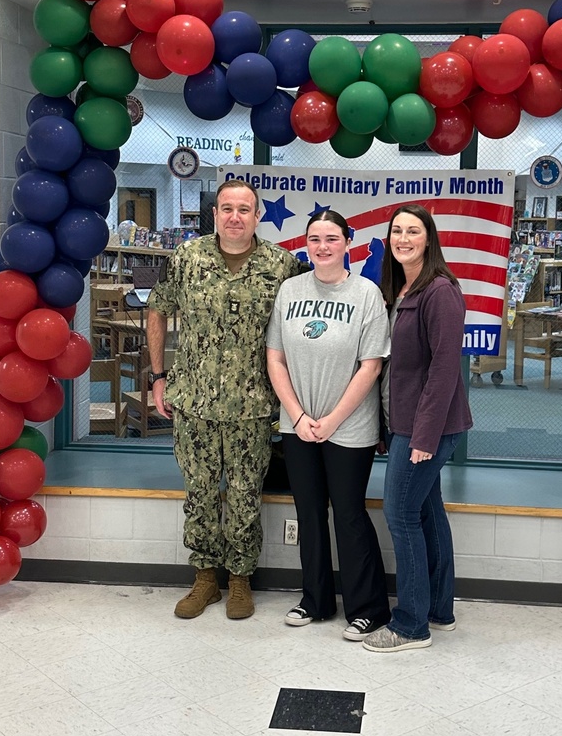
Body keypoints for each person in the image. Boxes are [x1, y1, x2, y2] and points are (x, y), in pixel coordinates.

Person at [147, 179, 302, 621]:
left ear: (257, 216)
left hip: (252, 407)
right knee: (198, 492)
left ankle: (239, 579)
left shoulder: (281, 266)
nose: (235, 216)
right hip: (193, 402)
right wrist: (159, 377)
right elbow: (158, 309)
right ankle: (204, 579)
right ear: (214, 214)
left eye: (245, 209)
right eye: (227, 208)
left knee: (243, 494)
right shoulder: (187, 259)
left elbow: (296, 329)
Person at [266, 210, 391, 640]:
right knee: (310, 514)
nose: (322, 246)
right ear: (306, 244)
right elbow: (275, 358)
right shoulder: (289, 291)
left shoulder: (366, 294)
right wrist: (299, 417)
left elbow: (370, 366)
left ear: (346, 242)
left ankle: (368, 608)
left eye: (332, 238)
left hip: (350, 427)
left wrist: (333, 420)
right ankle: (314, 600)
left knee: (349, 515)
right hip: (297, 425)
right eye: (315, 238)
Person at [362, 204, 473, 653]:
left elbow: (445, 370)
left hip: (428, 428)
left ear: (429, 238)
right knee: (427, 513)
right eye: (396, 231)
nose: (403, 238)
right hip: (406, 422)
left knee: (401, 515)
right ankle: (439, 610)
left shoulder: (439, 291)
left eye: (413, 231)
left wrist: (423, 438)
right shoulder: (402, 288)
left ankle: (410, 625)